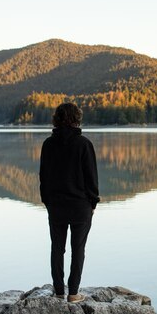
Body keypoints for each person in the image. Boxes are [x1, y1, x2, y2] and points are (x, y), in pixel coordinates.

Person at [39, 103, 100, 303]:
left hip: (56, 206)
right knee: (78, 249)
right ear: (77, 119)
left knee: (57, 248)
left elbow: (44, 178)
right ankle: (73, 293)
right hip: (80, 207)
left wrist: (47, 202)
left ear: (56, 118)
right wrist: (93, 203)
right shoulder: (84, 144)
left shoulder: (48, 144)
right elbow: (92, 179)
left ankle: (58, 292)